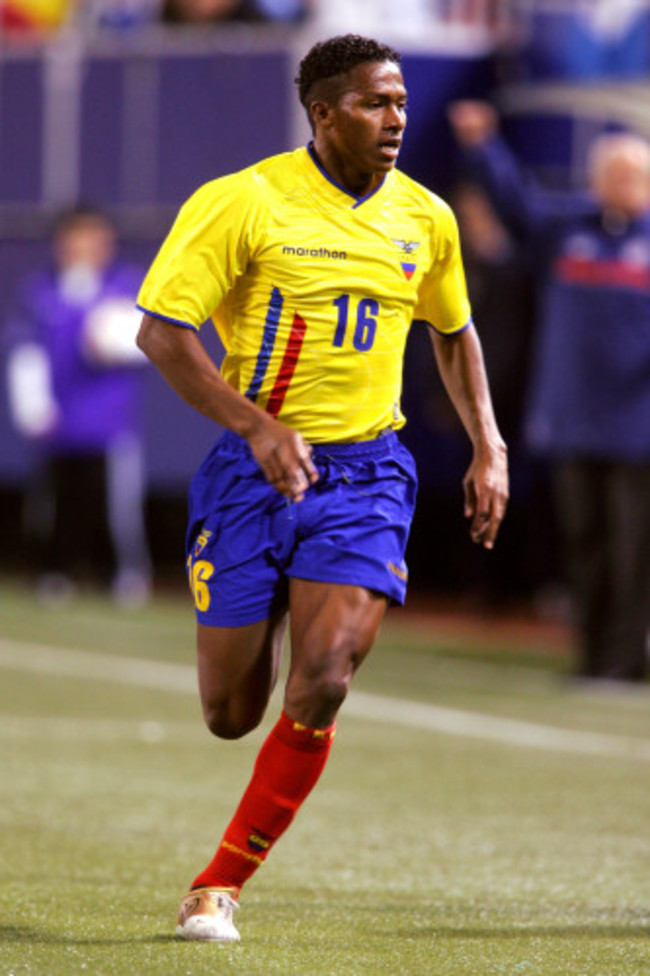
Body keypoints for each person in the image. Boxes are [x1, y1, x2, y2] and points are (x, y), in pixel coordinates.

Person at [136, 34, 508, 943]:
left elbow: (452, 333)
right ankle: (257, 607)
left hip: (368, 471)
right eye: (378, 103)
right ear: (324, 112)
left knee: (328, 674)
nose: (397, 119)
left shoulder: (426, 217)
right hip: (252, 470)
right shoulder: (244, 201)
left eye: (403, 102)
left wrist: (487, 444)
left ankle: (218, 883)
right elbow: (162, 334)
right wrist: (256, 426)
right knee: (231, 713)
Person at [449, 100, 650, 682]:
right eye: (611, 174)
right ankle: (593, 658)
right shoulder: (566, 232)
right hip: (571, 421)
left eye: (632, 175)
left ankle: (628, 659)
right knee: (583, 545)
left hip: (639, 427)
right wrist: (483, 147)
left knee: (633, 550)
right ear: (593, 179)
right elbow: (514, 205)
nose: (620, 185)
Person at [5, 205, 152, 606]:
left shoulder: (128, 285)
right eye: (75, 238)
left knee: (115, 507)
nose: (84, 247)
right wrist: (31, 403)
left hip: (109, 424)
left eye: (93, 238)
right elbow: (25, 349)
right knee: (53, 505)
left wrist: (115, 338)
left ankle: (123, 575)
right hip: (58, 425)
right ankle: (54, 572)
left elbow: (149, 341)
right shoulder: (41, 292)